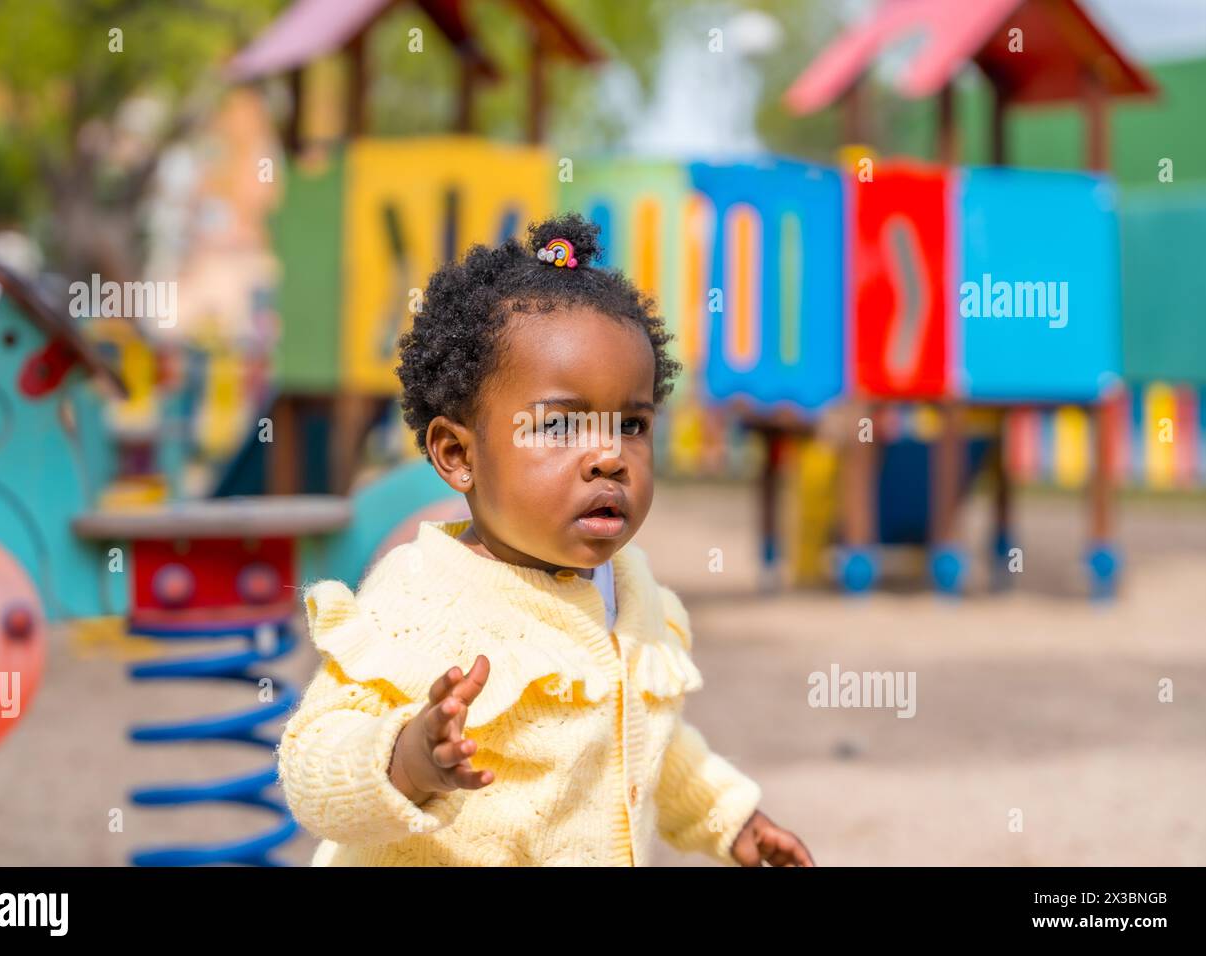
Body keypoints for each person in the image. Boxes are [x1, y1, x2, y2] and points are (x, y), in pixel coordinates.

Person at [278, 212, 814, 867]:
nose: (609, 456)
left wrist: (730, 820)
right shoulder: (422, 595)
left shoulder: (630, 587)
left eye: (633, 425)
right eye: (560, 427)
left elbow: (646, 741)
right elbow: (312, 763)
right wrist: (407, 758)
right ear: (457, 453)